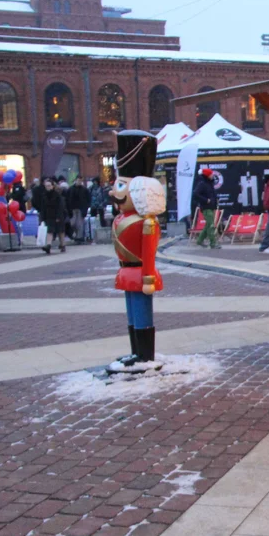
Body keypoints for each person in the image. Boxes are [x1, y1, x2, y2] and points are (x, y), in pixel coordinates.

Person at [108, 130, 166, 372]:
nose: (114, 191)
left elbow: (149, 251)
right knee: (132, 313)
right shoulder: (123, 218)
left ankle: (144, 355)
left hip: (141, 273)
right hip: (127, 272)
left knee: (142, 313)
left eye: (121, 186)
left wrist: (149, 277)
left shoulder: (146, 223)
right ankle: (135, 351)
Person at [192, 168, 219, 248]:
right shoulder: (202, 184)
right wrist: (205, 200)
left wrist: (215, 199)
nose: (212, 175)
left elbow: (211, 194)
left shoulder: (210, 183)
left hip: (211, 207)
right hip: (206, 207)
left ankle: (199, 240)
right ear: (207, 175)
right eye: (211, 174)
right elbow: (195, 194)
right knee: (211, 225)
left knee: (208, 224)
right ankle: (213, 243)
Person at [39, 177, 66, 254]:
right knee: (49, 231)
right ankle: (48, 245)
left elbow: (60, 207)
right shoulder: (44, 196)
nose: (47, 187)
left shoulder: (57, 195)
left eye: (49, 185)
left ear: (52, 186)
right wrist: (42, 217)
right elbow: (43, 208)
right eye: (46, 186)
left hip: (58, 216)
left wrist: (58, 216)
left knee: (60, 231)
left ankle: (63, 245)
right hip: (49, 216)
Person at [67, 175, 91, 243]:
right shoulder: (71, 189)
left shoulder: (84, 189)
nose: (79, 182)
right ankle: (75, 235)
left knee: (80, 224)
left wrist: (86, 207)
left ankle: (79, 237)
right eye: (78, 180)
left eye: (81, 180)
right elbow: (67, 198)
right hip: (73, 208)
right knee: (73, 223)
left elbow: (88, 199)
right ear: (76, 180)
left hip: (81, 208)